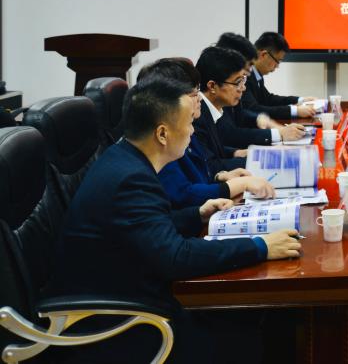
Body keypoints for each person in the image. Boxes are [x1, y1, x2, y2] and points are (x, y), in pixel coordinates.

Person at [45, 75, 301, 362]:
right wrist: (260, 246)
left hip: (131, 293)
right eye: (189, 123)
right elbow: (177, 256)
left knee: (261, 318)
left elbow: (143, 229)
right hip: (120, 322)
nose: (193, 131)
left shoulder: (125, 158)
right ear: (163, 134)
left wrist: (197, 214)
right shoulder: (131, 179)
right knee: (260, 335)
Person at [150, 57, 276, 208]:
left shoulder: (188, 124)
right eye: (194, 93)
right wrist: (237, 185)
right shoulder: (168, 138)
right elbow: (183, 194)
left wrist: (219, 177)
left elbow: (201, 168)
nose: (200, 98)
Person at [215, 33, 305, 146]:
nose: (249, 73)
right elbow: (229, 134)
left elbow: (240, 113)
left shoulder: (231, 86)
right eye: (248, 66)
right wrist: (278, 133)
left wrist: (259, 118)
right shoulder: (213, 95)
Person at [248, 31, 320, 120]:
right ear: (264, 55)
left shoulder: (257, 75)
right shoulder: (245, 76)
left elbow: (268, 99)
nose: (277, 66)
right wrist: (295, 111)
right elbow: (253, 109)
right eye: (277, 61)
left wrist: (300, 100)